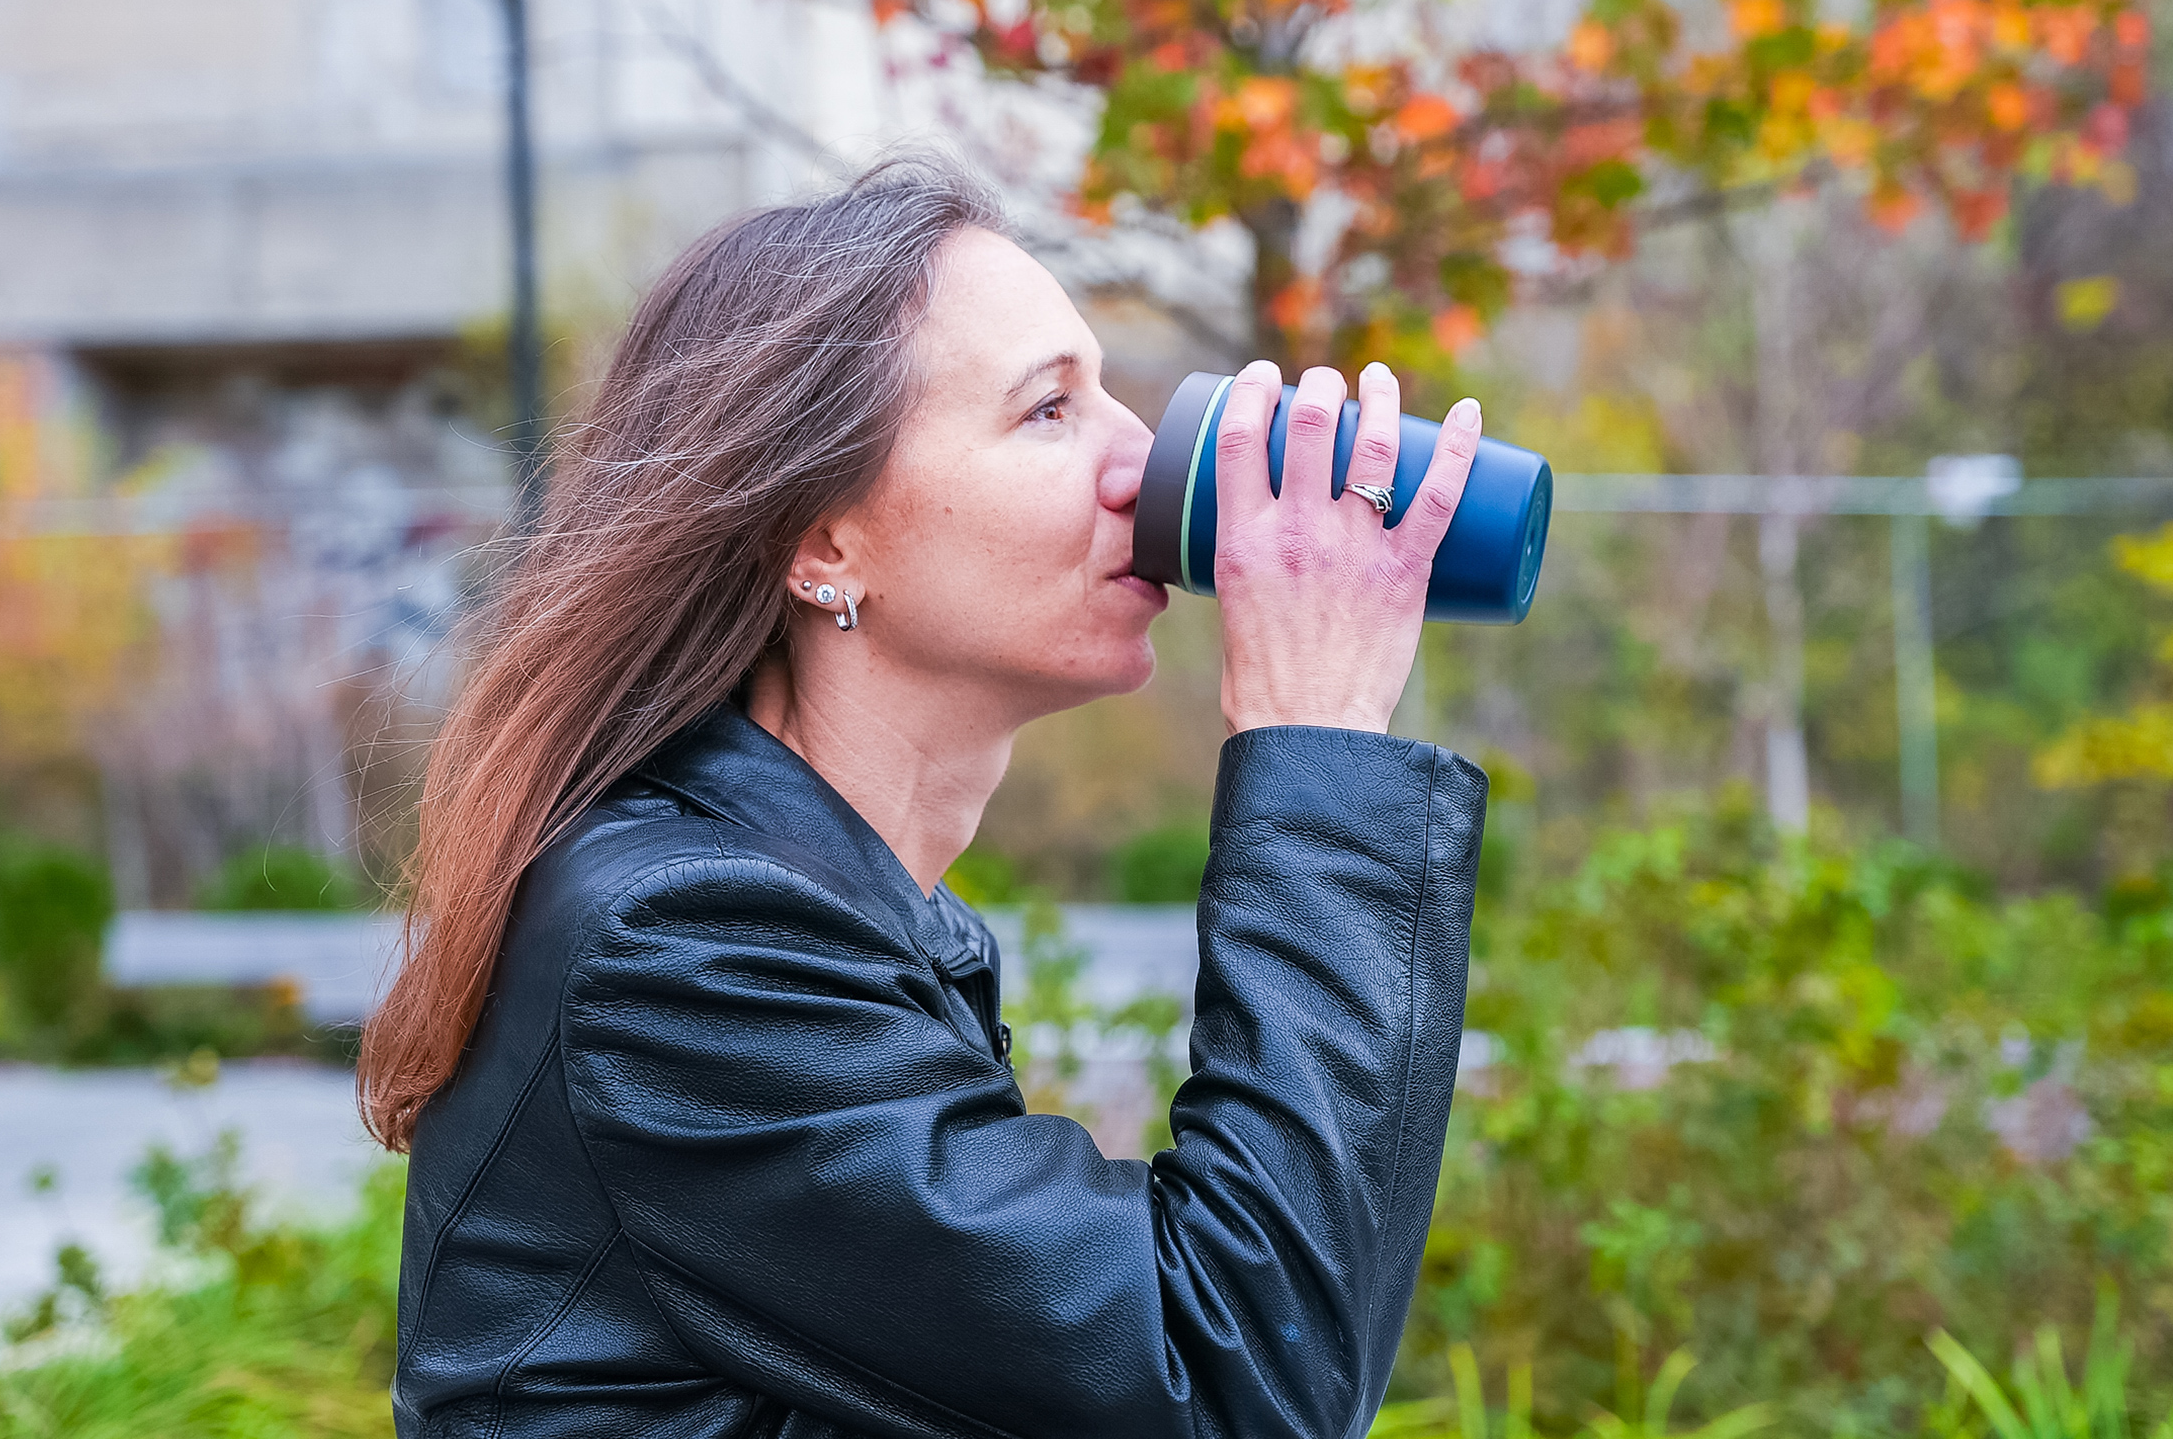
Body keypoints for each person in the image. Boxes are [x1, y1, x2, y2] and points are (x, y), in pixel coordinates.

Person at [361, 156, 1488, 1439]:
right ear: (824, 541)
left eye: (1111, 391)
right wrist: (1319, 737)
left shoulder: (804, 910)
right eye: (1050, 411)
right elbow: (1231, 1377)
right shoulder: (683, 950)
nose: (1141, 456)